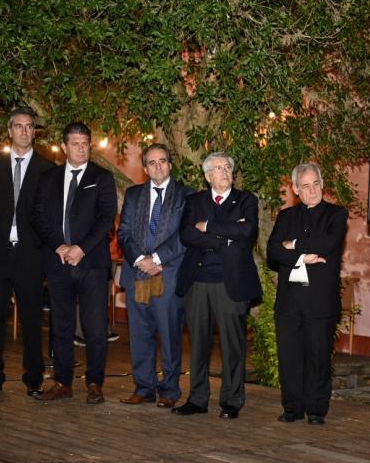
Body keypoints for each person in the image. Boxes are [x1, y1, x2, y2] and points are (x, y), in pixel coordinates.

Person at [0, 107, 55, 397]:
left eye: (29, 126)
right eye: (18, 126)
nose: (23, 131)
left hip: (30, 257)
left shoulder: (48, 169)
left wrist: (46, 254)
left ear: (35, 131)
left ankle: (34, 378)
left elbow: (51, 218)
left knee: (32, 321)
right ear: (9, 130)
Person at [32, 122, 117, 404]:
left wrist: (81, 248)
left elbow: (106, 218)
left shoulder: (102, 177)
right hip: (58, 262)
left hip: (91, 263)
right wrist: (60, 246)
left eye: (85, 143)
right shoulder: (48, 178)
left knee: (94, 328)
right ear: (65, 147)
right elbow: (39, 217)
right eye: (76, 144)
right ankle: (62, 382)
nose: (81, 148)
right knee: (61, 326)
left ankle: (95, 383)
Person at [173, 152, 261, 419]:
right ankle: (198, 399)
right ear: (207, 175)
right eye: (218, 168)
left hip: (231, 283)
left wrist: (209, 226)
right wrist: (224, 237)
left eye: (228, 167)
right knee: (198, 343)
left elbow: (246, 232)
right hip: (197, 282)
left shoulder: (246, 200)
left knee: (232, 344)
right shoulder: (195, 200)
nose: (225, 172)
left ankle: (232, 400)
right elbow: (187, 234)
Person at [267, 163, 348, 425]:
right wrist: (304, 255)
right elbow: (273, 252)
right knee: (289, 356)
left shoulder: (336, 214)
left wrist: (293, 246)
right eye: (305, 186)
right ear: (295, 189)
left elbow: (328, 243)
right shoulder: (285, 216)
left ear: (322, 184)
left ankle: (316, 410)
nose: (312, 191)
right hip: (290, 299)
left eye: (316, 184)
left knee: (318, 355)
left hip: (320, 299)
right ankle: (292, 408)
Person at [117, 144, 193, 408]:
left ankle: (170, 390)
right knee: (140, 334)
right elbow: (124, 233)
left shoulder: (186, 195)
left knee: (170, 334)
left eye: (162, 161)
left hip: (168, 273)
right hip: (138, 273)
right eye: (152, 162)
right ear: (145, 168)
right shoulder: (134, 194)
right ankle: (144, 387)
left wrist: (157, 259)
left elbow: (185, 234)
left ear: (170, 165)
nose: (157, 166)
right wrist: (141, 260)